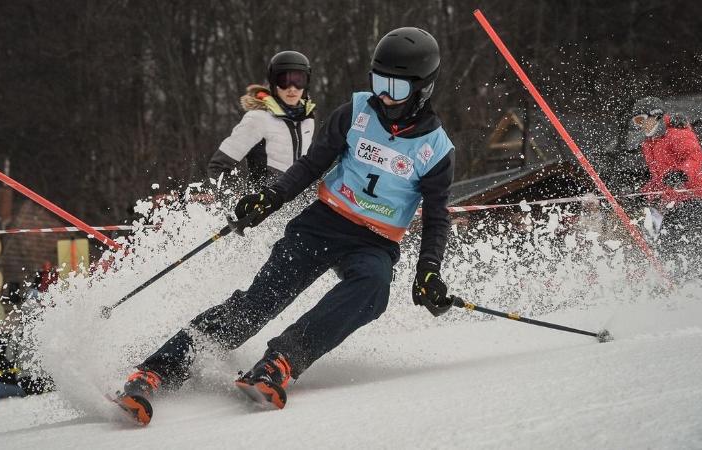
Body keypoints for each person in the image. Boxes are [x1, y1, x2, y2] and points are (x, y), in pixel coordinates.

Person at [117, 27, 455, 420]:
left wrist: (428, 270)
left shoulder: (437, 149)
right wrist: (269, 199)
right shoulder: (356, 111)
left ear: (423, 89)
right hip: (323, 223)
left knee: (374, 288)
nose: (384, 95)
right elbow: (311, 165)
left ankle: (281, 361)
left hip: (375, 242)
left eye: (395, 88)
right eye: (378, 81)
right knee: (257, 304)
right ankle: (154, 370)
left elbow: (436, 217)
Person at [201, 51, 316, 198]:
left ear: (306, 83)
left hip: (298, 207)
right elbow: (218, 166)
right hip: (265, 208)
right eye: (284, 80)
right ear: (274, 83)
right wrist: (231, 205)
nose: (292, 88)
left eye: (299, 81)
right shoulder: (258, 118)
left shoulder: (308, 120)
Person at [630, 96, 702, 262]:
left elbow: (695, 157)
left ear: (655, 115)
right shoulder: (649, 144)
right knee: (667, 242)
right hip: (675, 201)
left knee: (680, 239)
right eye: (636, 122)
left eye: (641, 119)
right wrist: (644, 195)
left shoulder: (676, 133)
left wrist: (682, 173)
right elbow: (660, 179)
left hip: (694, 197)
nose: (640, 125)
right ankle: (677, 275)